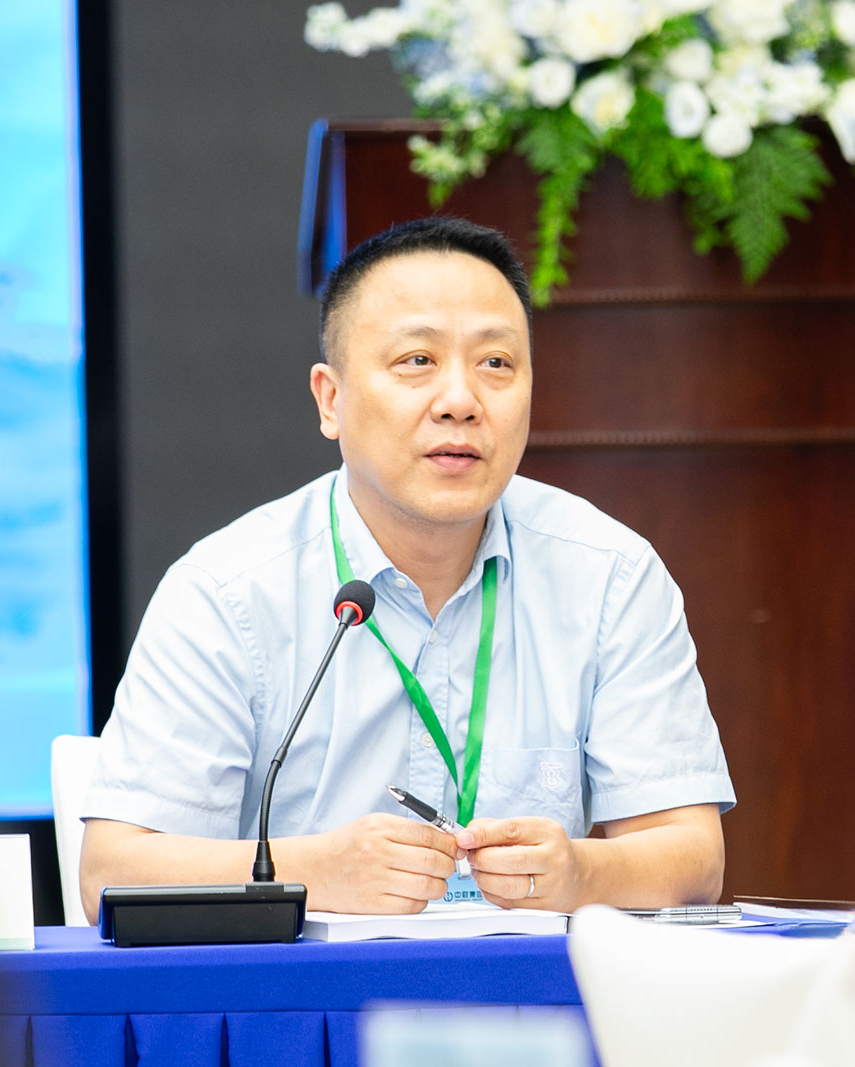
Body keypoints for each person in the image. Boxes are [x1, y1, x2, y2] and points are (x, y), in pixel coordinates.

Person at [80, 217, 734, 920]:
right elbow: (111, 873)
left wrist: (581, 871)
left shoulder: (609, 575)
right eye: (417, 360)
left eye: (496, 364)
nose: (460, 402)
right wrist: (315, 871)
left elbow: (694, 858)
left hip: (532, 986)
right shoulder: (227, 591)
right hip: (305, 989)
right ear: (331, 399)